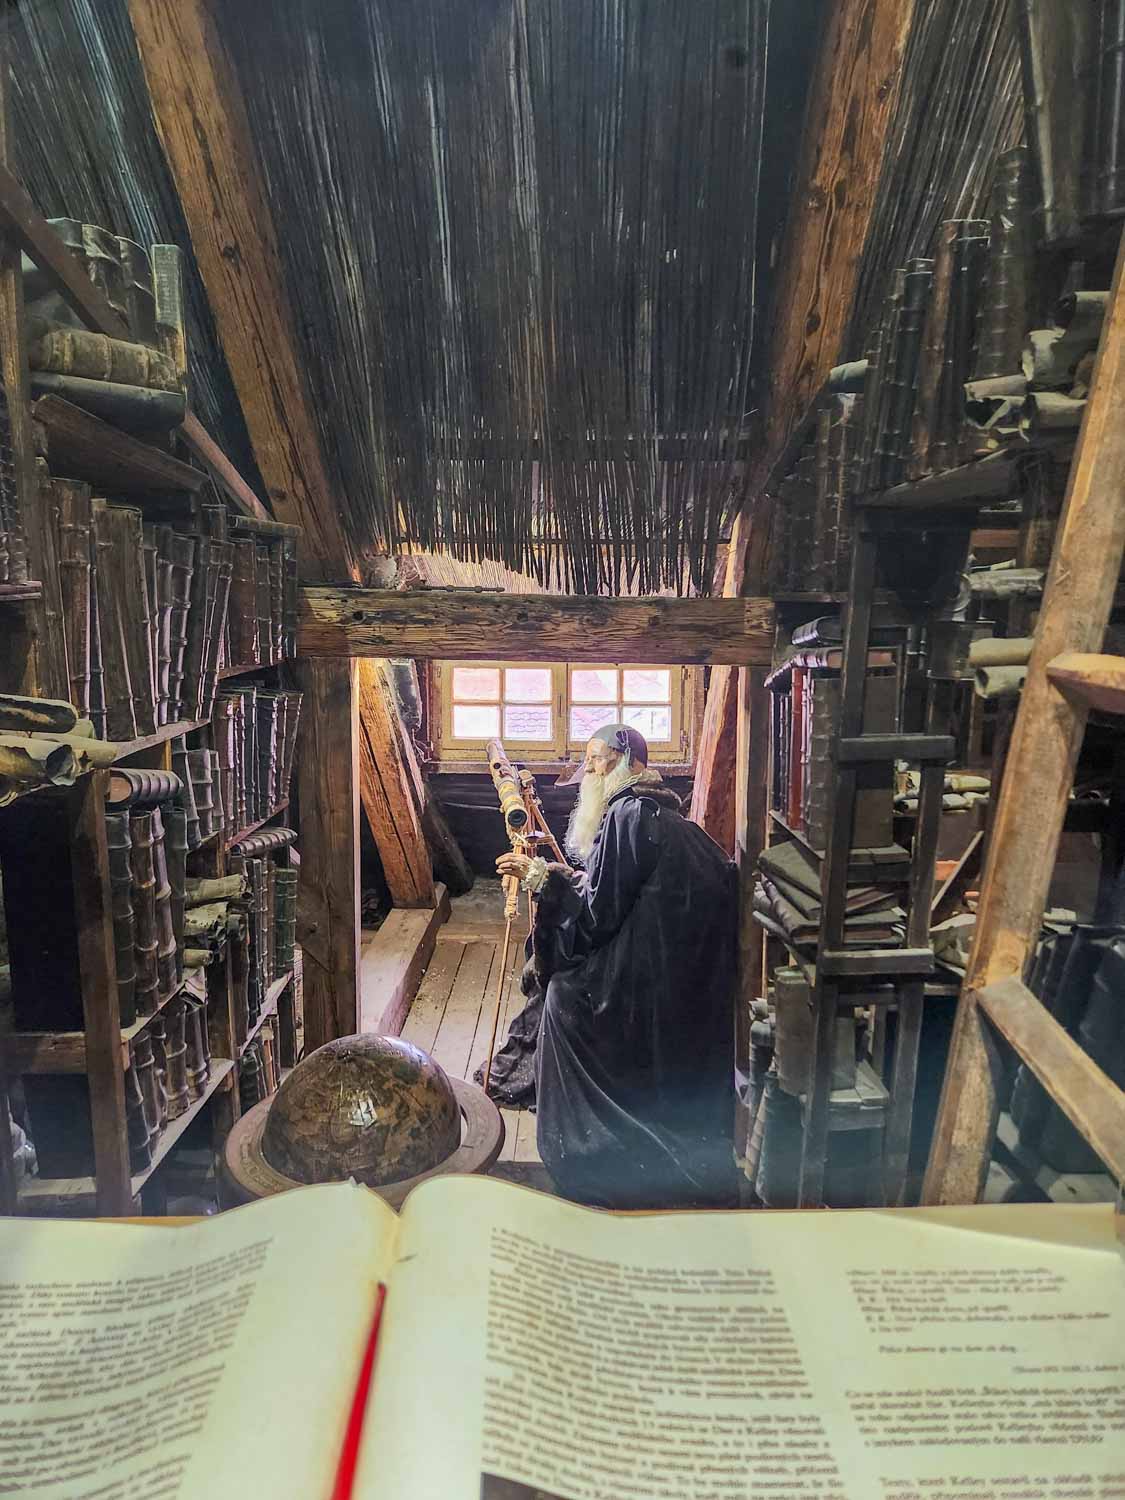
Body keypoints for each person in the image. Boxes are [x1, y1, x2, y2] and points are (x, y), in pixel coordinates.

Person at [495, 723, 739, 1209]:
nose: (587, 770)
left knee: (562, 997)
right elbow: (607, 889)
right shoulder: (653, 811)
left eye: (595, 760)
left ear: (623, 761)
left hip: (647, 977)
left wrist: (544, 879)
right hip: (667, 962)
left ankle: (588, 1150)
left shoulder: (629, 812)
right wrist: (556, 877)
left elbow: (597, 915)